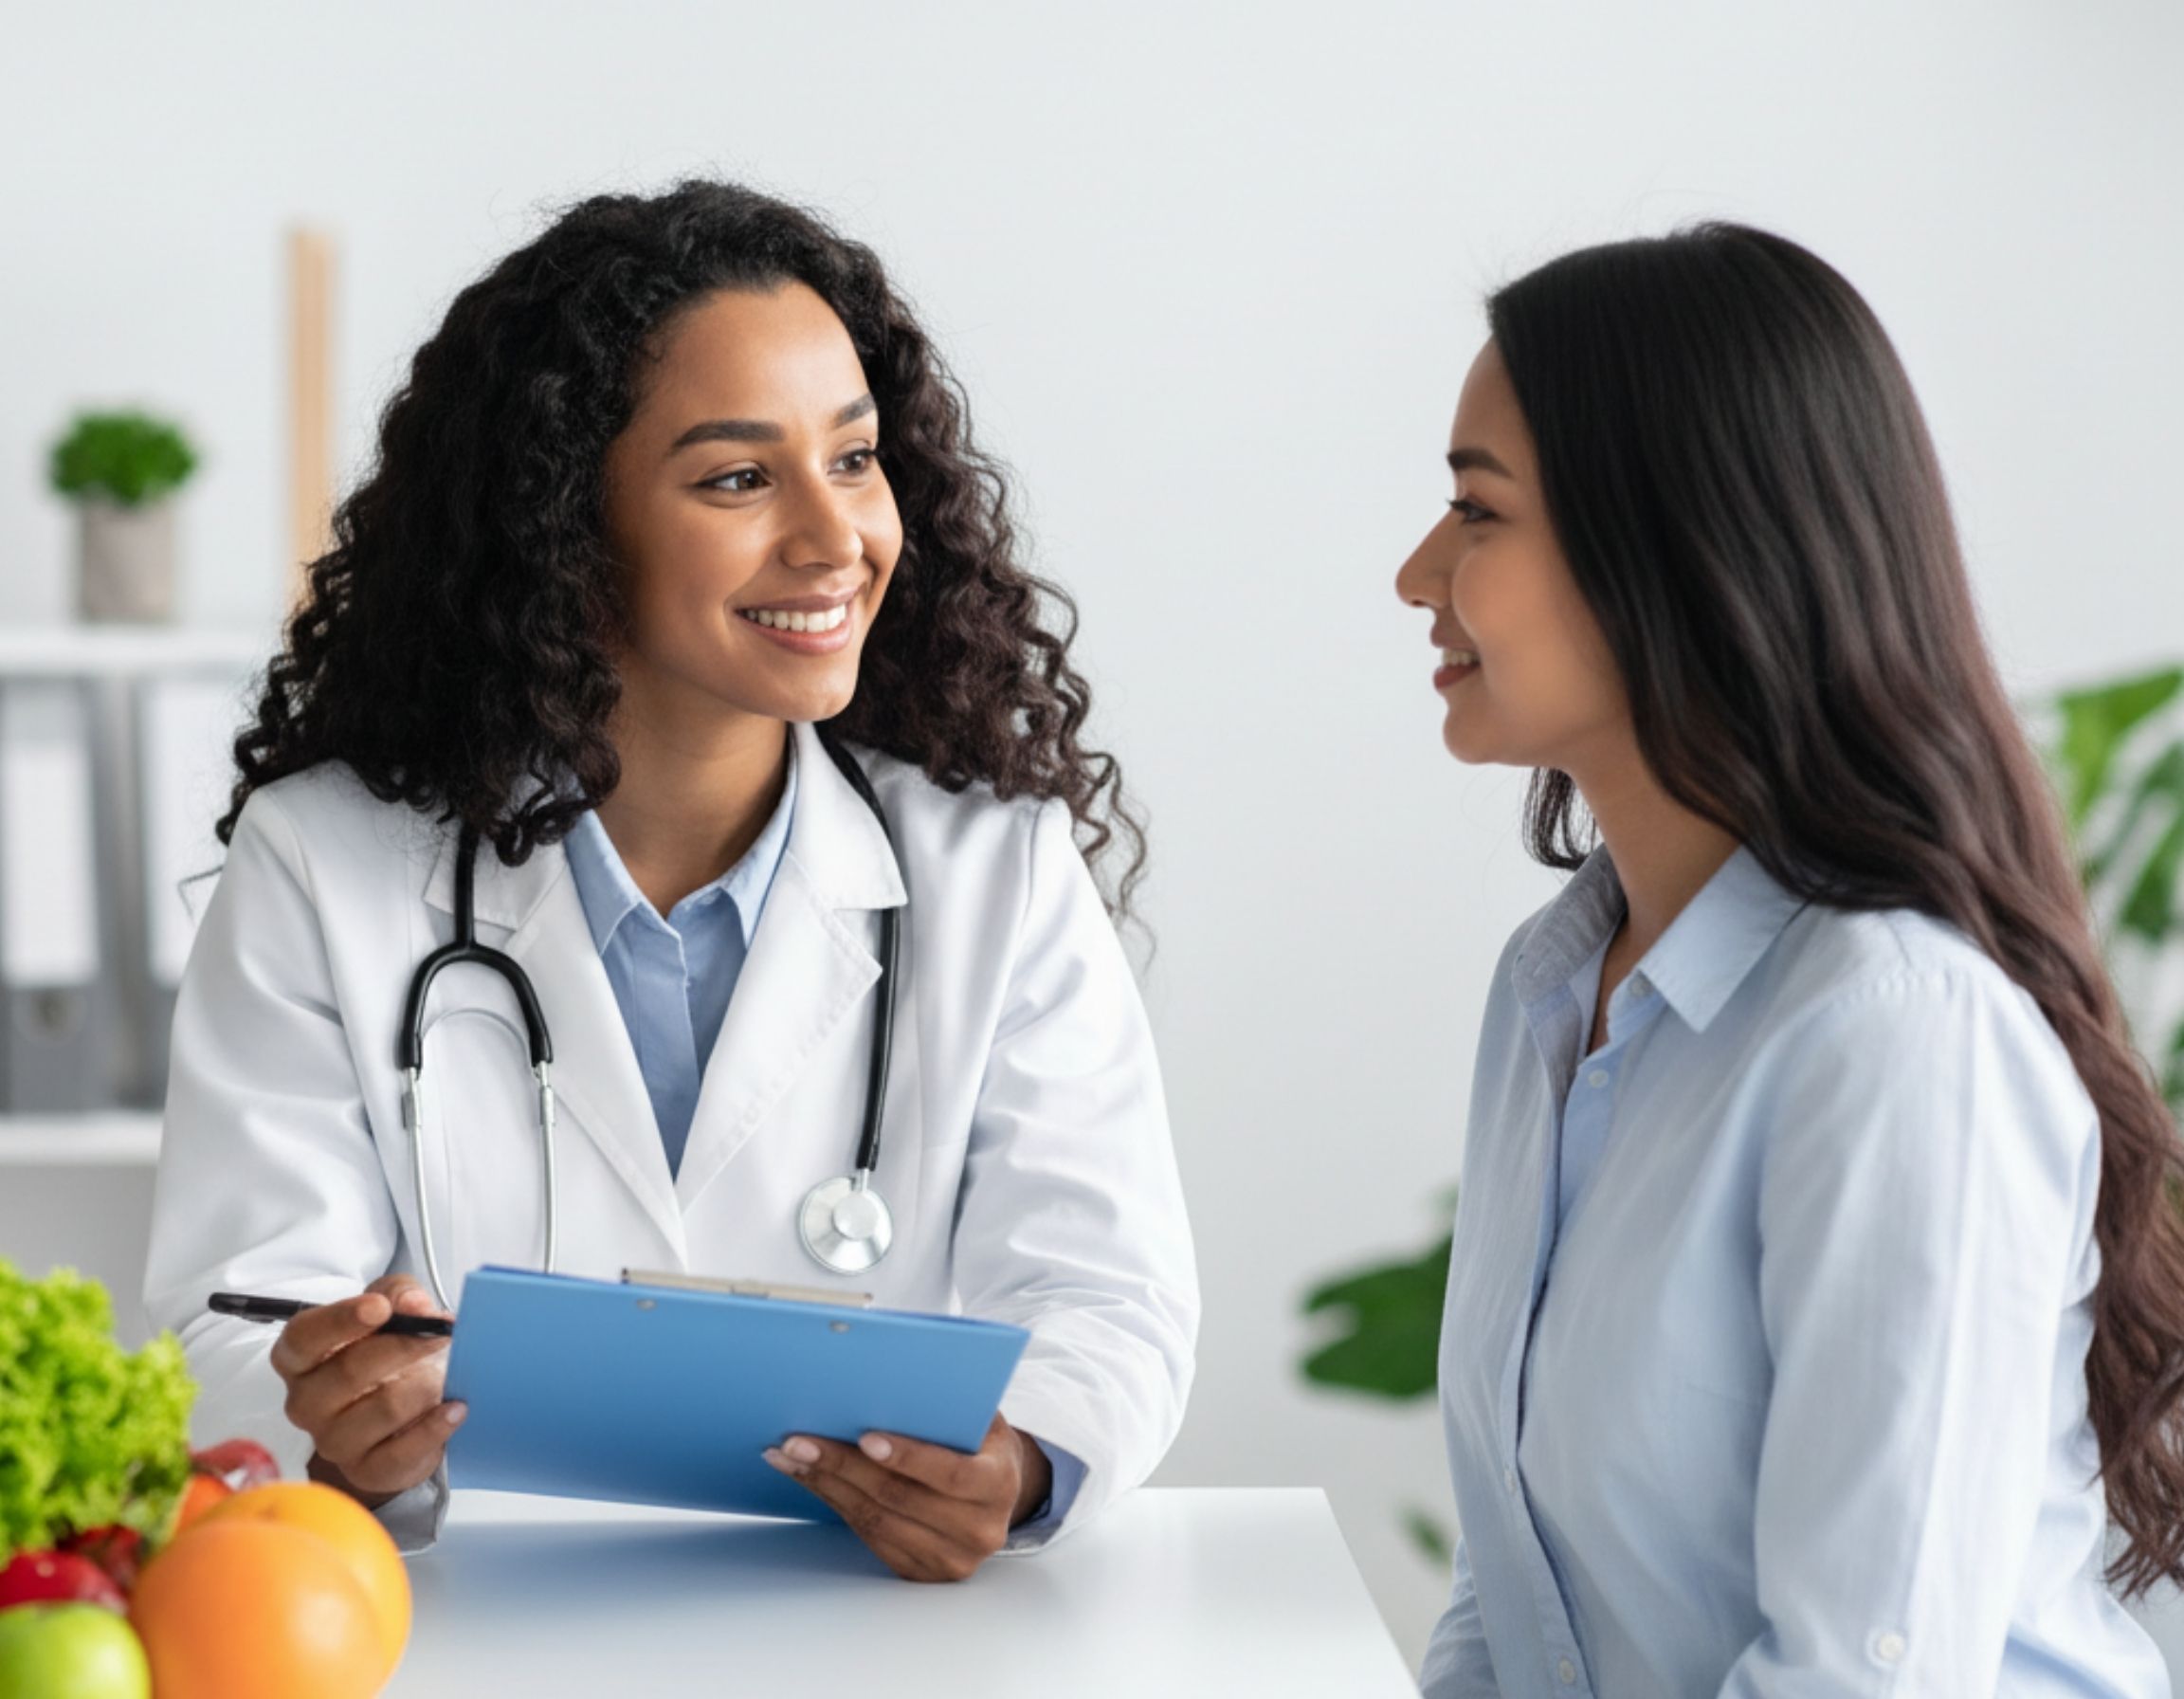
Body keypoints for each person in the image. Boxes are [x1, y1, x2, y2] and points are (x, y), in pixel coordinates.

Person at [144, 179, 1197, 1583]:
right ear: (565, 528)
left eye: (856, 459)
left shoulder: (993, 870)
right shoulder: (324, 863)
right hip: (467, 1633)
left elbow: (1107, 1302)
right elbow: (229, 1314)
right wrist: (331, 1419)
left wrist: (1018, 1467)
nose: (835, 541)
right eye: (738, 478)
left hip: (874, 1639)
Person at [1394, 224, 2182, 1695]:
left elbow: (1861, 1674)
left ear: (1672, 546)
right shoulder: (1552, 992)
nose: (1416, 572)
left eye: (1477, 514)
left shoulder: (1895, 1032)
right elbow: (1514, 1594)